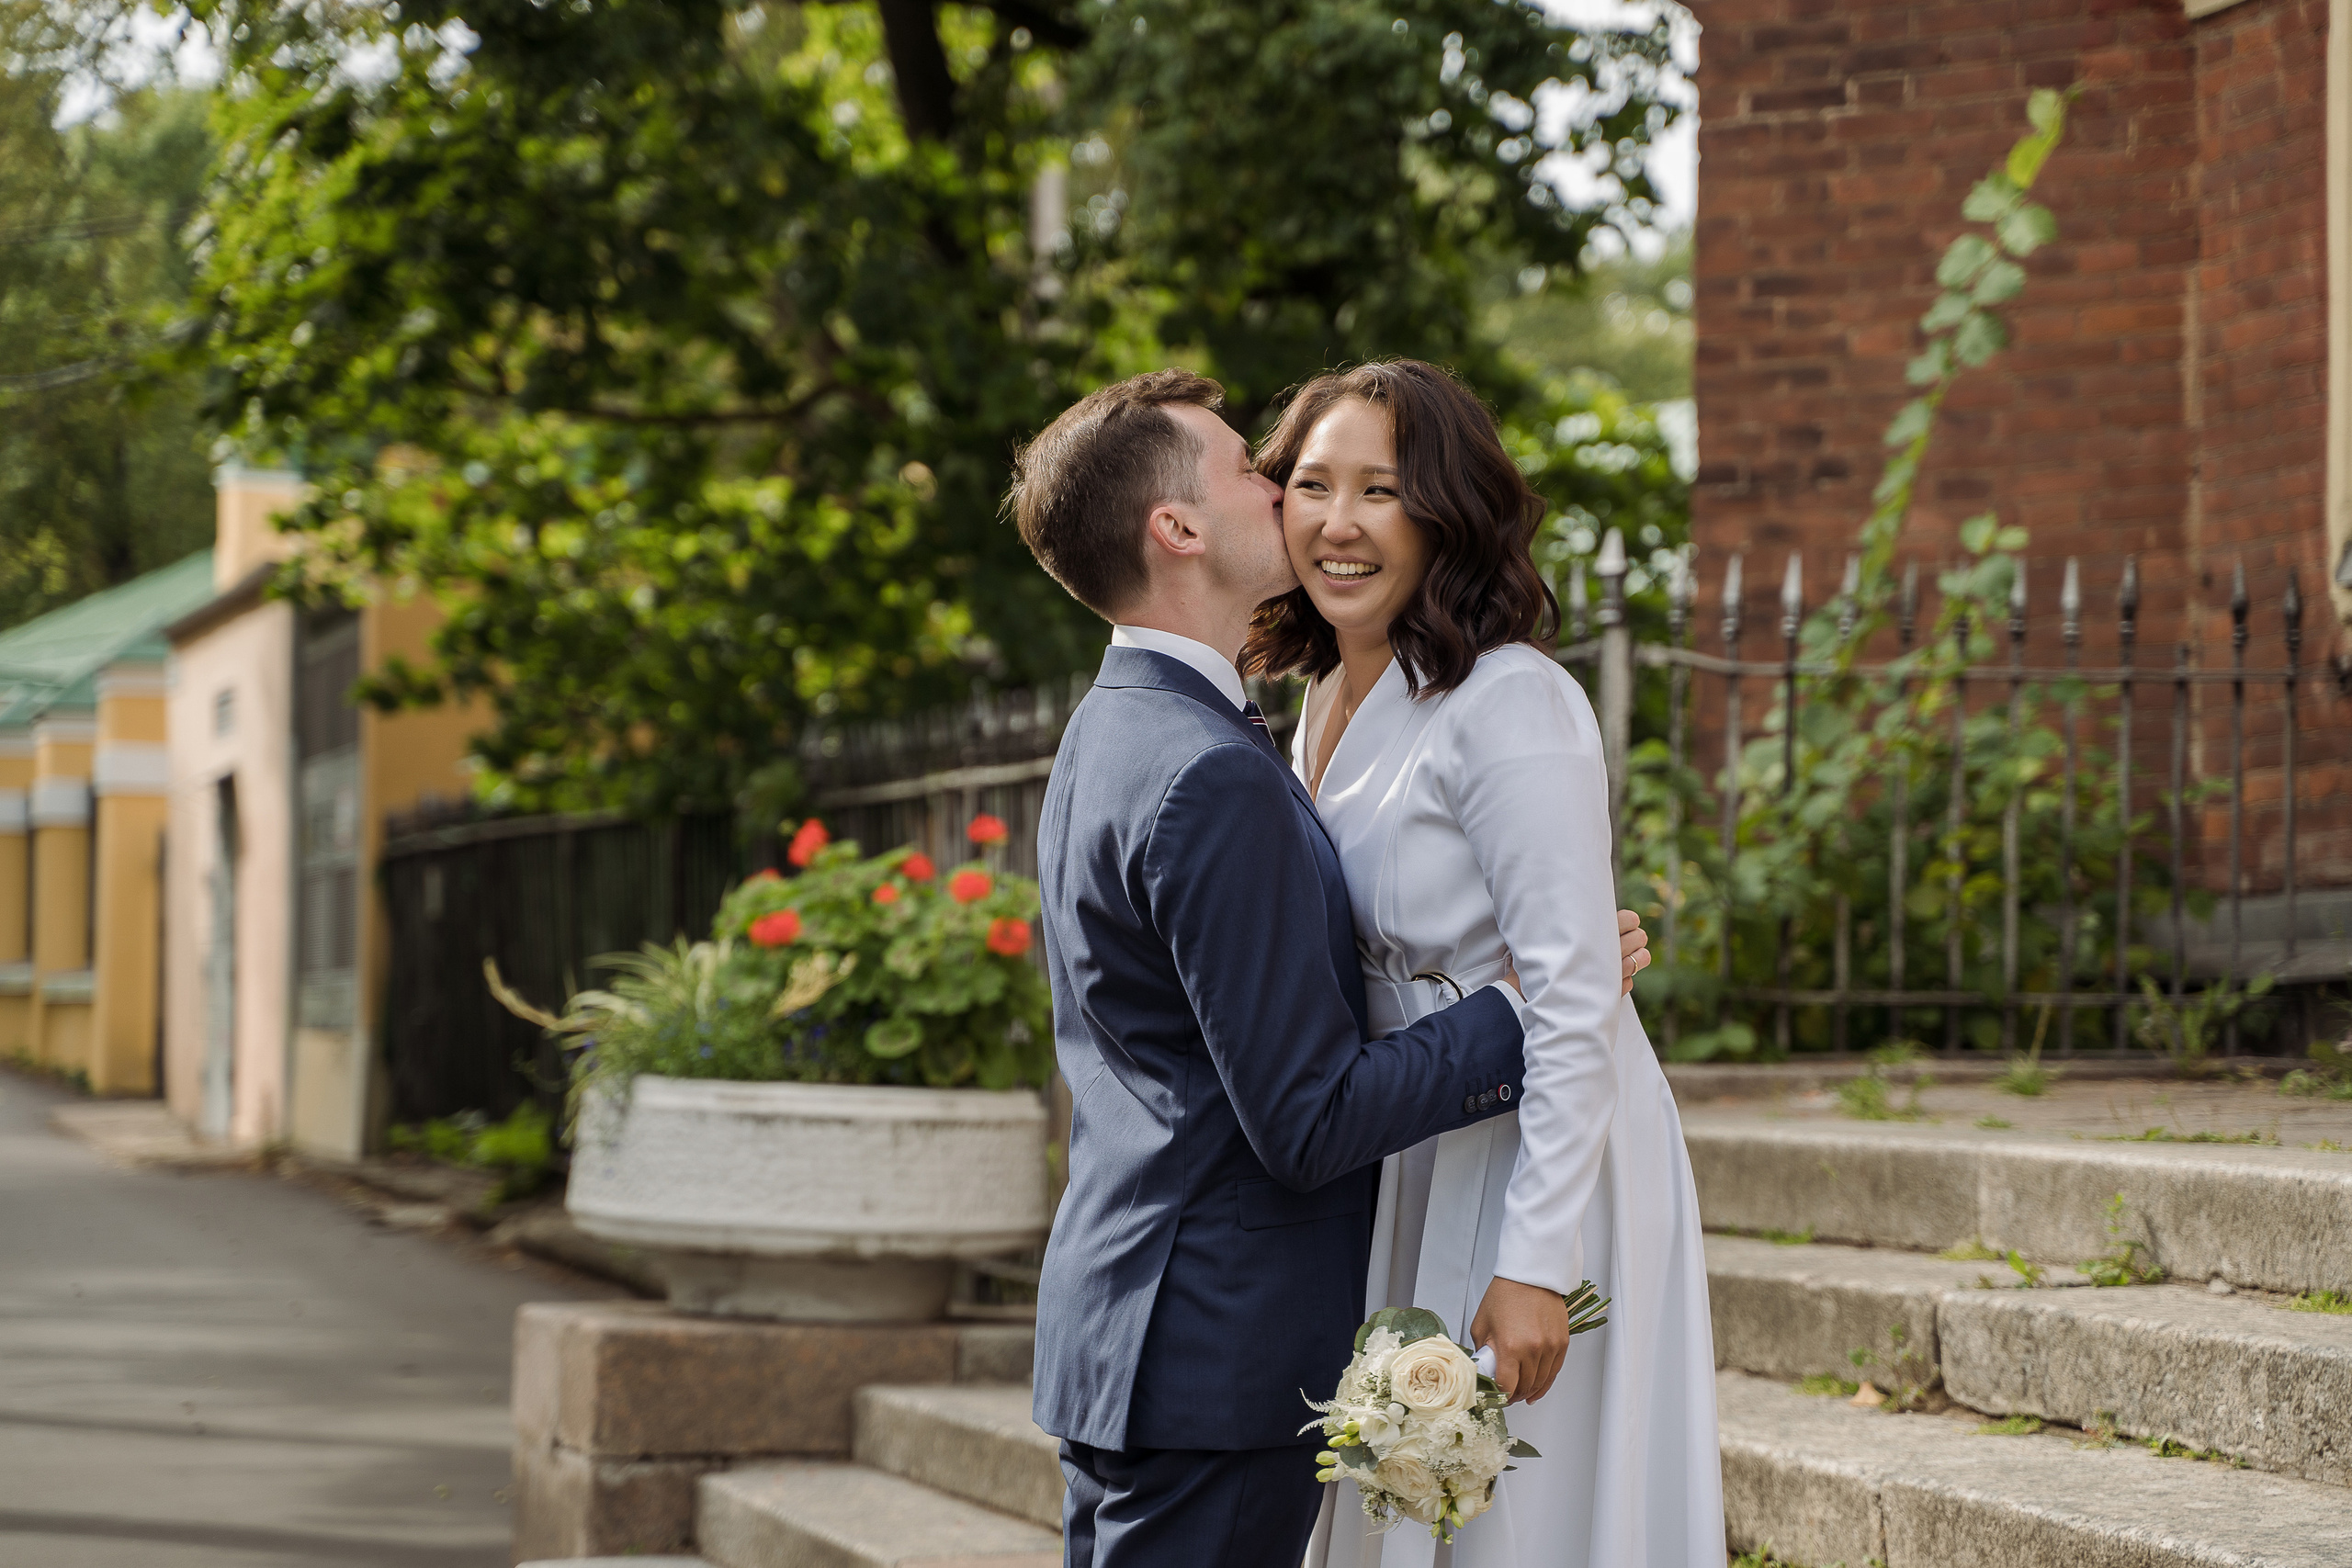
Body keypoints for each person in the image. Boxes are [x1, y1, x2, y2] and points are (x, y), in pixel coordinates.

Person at [1004, 369, 1652, 1568]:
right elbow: (1301, 1119)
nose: (1284, 492)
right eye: (1257, 471)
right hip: (1212, 1342)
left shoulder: (1116, 728)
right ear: (1180, 527)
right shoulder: (1214, 771)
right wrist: (1518, 1009)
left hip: (1135, 1324)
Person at [1255, 361, 1722, 1568]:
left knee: (1522, 1516)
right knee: (1397, 1504)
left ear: (1447, 514)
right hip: (1403, 1139)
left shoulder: (1511, 703)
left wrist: (1536, 1265)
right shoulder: (1317, 701)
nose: (1338, 523)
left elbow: (1572, 1004)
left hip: (1535, 1157)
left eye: (1382, 491)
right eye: (1312, 485)